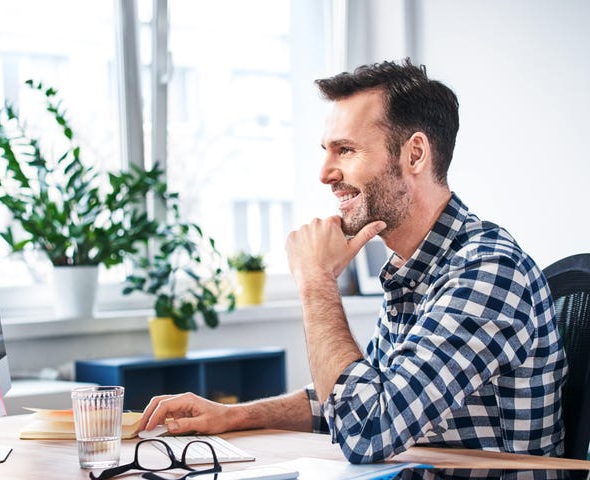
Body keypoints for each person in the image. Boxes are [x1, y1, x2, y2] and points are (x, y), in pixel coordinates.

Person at [137, 58, 567, 465]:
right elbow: (356, 400)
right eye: (327, 150)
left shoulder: (486, 273)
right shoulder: (416, 270)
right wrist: (234, 416)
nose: (325, 173)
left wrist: (316, 280)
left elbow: (366, 429)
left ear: (414, 154)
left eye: (345, 150)